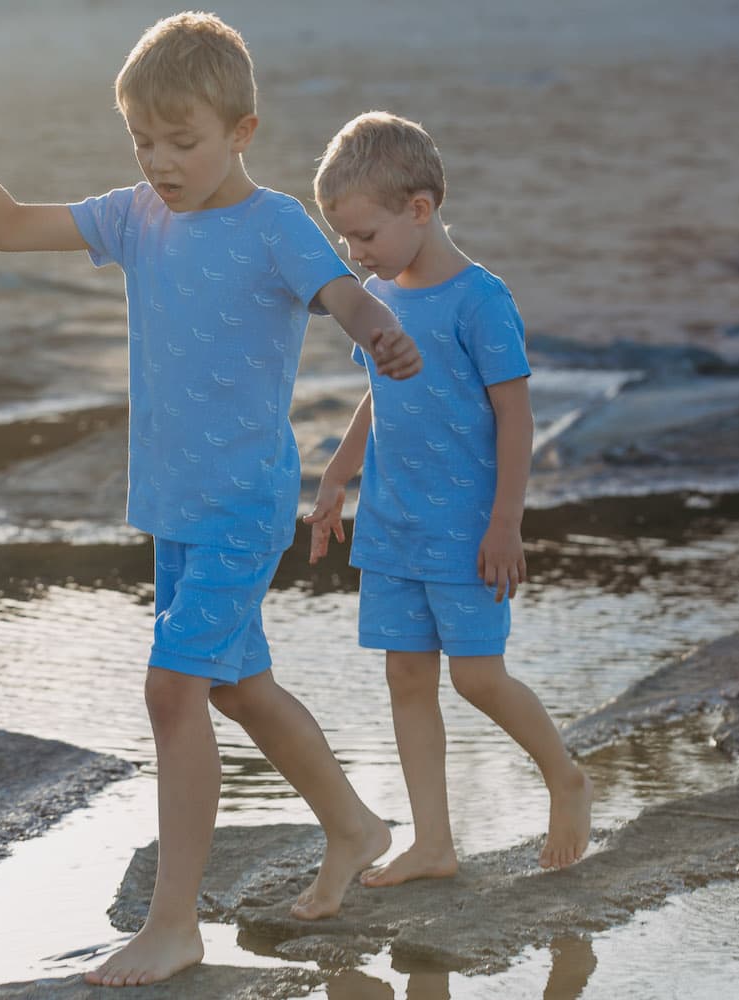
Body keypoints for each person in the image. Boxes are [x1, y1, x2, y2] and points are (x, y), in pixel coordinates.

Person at [0, 14, 422, 988]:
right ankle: (357, 826)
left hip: (243, 500)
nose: (158, 160)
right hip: (175, 505)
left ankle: (173, 924)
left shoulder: (275, 221)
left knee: (170, 689)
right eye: (142, 140)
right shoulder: (133, 215)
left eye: (181, 141)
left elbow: (343, 294)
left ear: (239, 130)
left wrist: (381, 334)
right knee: (235, 687)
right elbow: (5, 226)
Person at [305, 111, 592, 889]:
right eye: (343, 240)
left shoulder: (481, 300)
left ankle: (564, 777)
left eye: (364, 236)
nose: (354, 254)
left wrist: (506, 524)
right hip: (393, 524)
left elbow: (515, 414)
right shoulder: (373, 296)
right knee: (406, 677)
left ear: (420, 209)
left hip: (467, 527)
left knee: (477, 676)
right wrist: (338, 474)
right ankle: (433, 841)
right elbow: (381, 394)